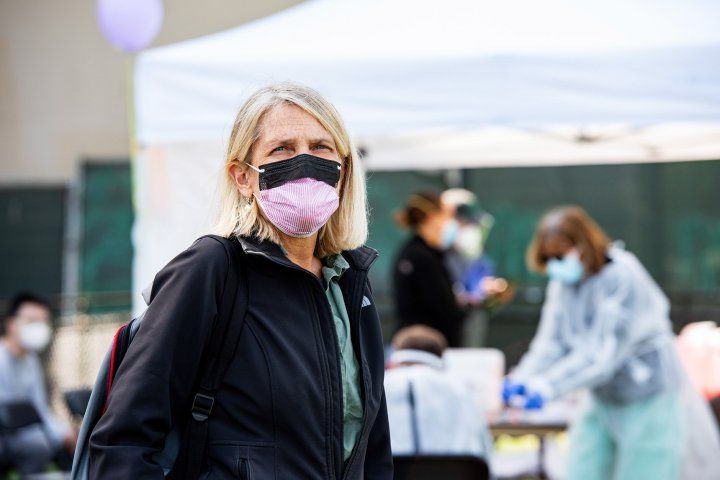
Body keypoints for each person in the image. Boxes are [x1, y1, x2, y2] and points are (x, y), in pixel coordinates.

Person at [88, 82, 393, 479]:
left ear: (344, 170)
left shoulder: (349, 281)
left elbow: (373, 450)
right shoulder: (211, 269)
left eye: (321, 147)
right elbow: (123, 440)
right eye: (281, 149)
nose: (304, 162)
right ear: (242, 177)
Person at [505, 206, 686, 480]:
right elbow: (550, 343)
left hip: (647, 396)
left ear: (581, 245)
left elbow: (601, 356)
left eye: (559, 256)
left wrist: (548, 386)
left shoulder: (621, 276)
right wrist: (523, 377)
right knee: (584, 468)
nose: (554, 264)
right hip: (601, 397)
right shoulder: (565, 283)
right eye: (547, 258)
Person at [385, 325, 492, 461]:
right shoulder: (460, 389)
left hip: (393, 469)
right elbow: (483, 450)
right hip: (454, 470)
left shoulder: (380, 384)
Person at [0, 292, 76, 474]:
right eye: (32, 321)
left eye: (43, 322)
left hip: (25, 433)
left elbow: (39, 407)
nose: (38, 328)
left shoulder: (31, 360)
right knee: (38, 444)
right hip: (8, 434)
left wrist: (64, 431)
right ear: (11, 325)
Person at [392, 192, 468, 347]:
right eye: (448, 216)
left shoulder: (422, 254)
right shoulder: (420, 257)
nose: (451, 223)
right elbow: (444, 308)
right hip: (426, 347)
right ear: (433, 218)